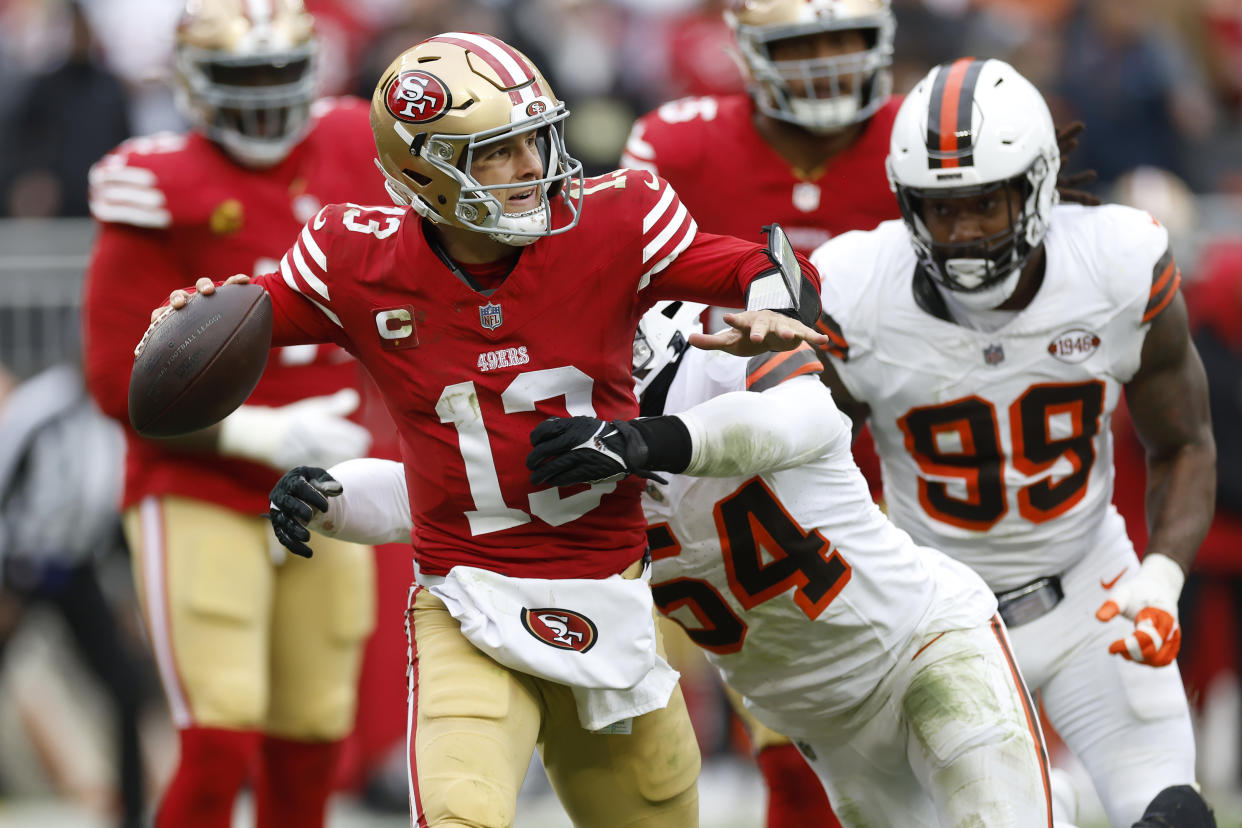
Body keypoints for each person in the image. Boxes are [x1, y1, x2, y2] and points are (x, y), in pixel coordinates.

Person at [145, 30, 829, 828]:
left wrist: (776, 307)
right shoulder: (355, 259)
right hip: (468, 604)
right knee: (461, 813)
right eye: (499, 152)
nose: (534, 168)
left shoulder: (615, 220)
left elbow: (763, 267)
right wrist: (185, 325)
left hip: (611, 598)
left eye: (537, 140)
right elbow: (241, 319)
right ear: (422, 168)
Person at [266, 299, 1061, 827]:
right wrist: (333, 498)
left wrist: (643, 442)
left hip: (921, 649)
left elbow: (801, 418)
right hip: (813, 719)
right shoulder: (576, 449)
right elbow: (436, 501)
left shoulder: (723, 363)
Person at [811, 57, 1216, 827]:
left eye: (984, 204)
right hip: (937, 618)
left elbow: (1186, 444)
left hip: (1090, 589)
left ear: (1037, 187)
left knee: (1177, 818)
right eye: (939, 208)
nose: (961, 232)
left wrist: (1161, 577)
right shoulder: (859, 290)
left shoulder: (1116, 263)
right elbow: (808, 460)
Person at [82, 2, 383, 826]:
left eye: (278, 74)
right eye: (241, 77)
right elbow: (116, 378)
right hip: (199, 487)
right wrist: (258, 431)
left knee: (315, 731)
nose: (262, 99)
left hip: (331, 485)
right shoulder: (155, 182)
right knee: (220, 734)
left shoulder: (361, 143)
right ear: (192, 82)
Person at [620, 2, 901, 818]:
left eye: (841, 37)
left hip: (884, 468)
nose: (824, 61)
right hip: (722, 477)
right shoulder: (681, 144)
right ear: (747, 51)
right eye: (798, 43)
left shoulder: (920, 137)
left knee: (895, 740)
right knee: (793, 747)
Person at [0, 362, 148, 828]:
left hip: (76, 570)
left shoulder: (120, 419)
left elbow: (113, 514)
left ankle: (133, 811)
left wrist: (124, 593)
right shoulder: (44, 406)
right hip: (20, 565)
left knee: (126, 686)